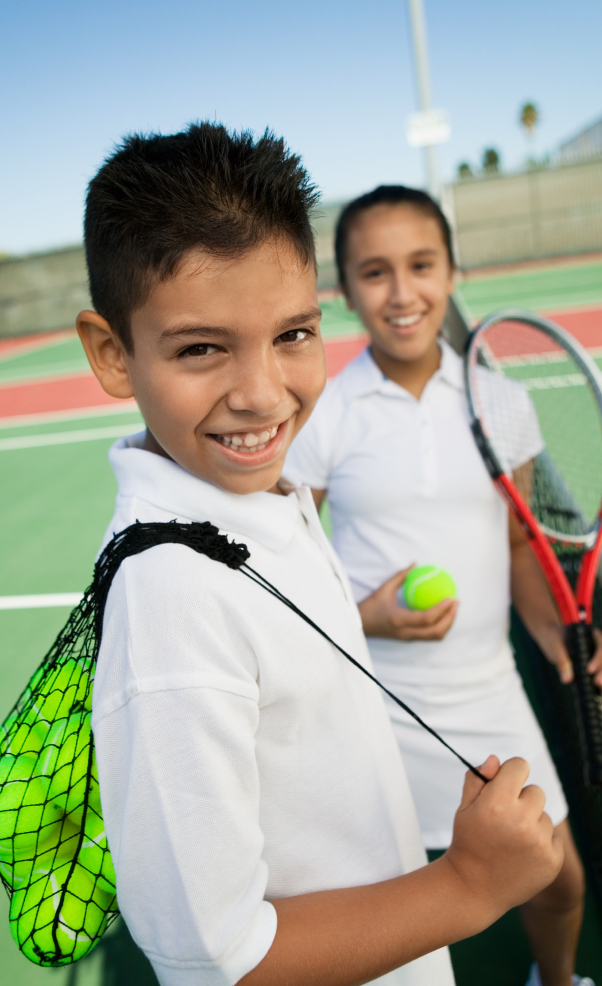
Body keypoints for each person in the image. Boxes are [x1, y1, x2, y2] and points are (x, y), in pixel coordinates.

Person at [76, 130, 563, 986]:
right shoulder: (172, 597)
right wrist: (466, 884)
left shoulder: (262, 500)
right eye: (200, 347)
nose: (263, 393)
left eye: (293, 333)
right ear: (113, 352)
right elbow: (220, 961)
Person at [284, 184, 602, 986]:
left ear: (451, 270)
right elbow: (283, 569)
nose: (401, 293)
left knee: (558, 879)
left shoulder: (501, 400)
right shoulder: (322, 411)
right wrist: (369, 619)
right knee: (389, 912)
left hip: (490, 697)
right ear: (347, 291)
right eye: (375, 272)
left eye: (420, 265)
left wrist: (560, 649)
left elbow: (519, 549)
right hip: (369, 703)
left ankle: (555, 982)